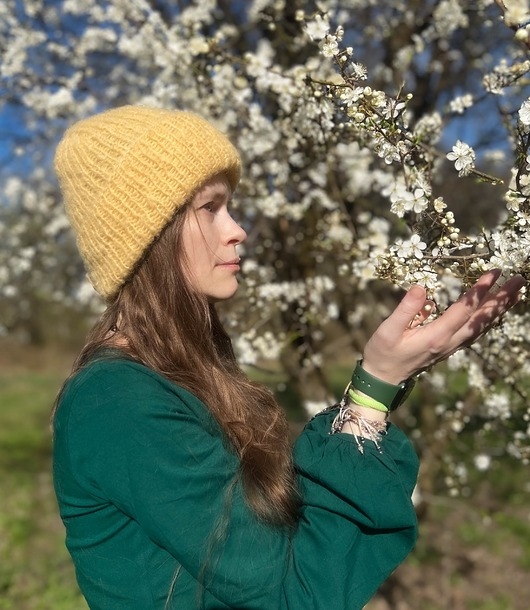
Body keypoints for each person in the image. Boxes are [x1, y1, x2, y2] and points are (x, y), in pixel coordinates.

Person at [52, 105, 524, 610]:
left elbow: (273, 541)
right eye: (209, 208)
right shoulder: (118, 401)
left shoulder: (178, 374)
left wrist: (381, 384)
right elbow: (290, 594)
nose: (237, 230)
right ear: (147, 234)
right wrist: (375, 387)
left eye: (229, 206)